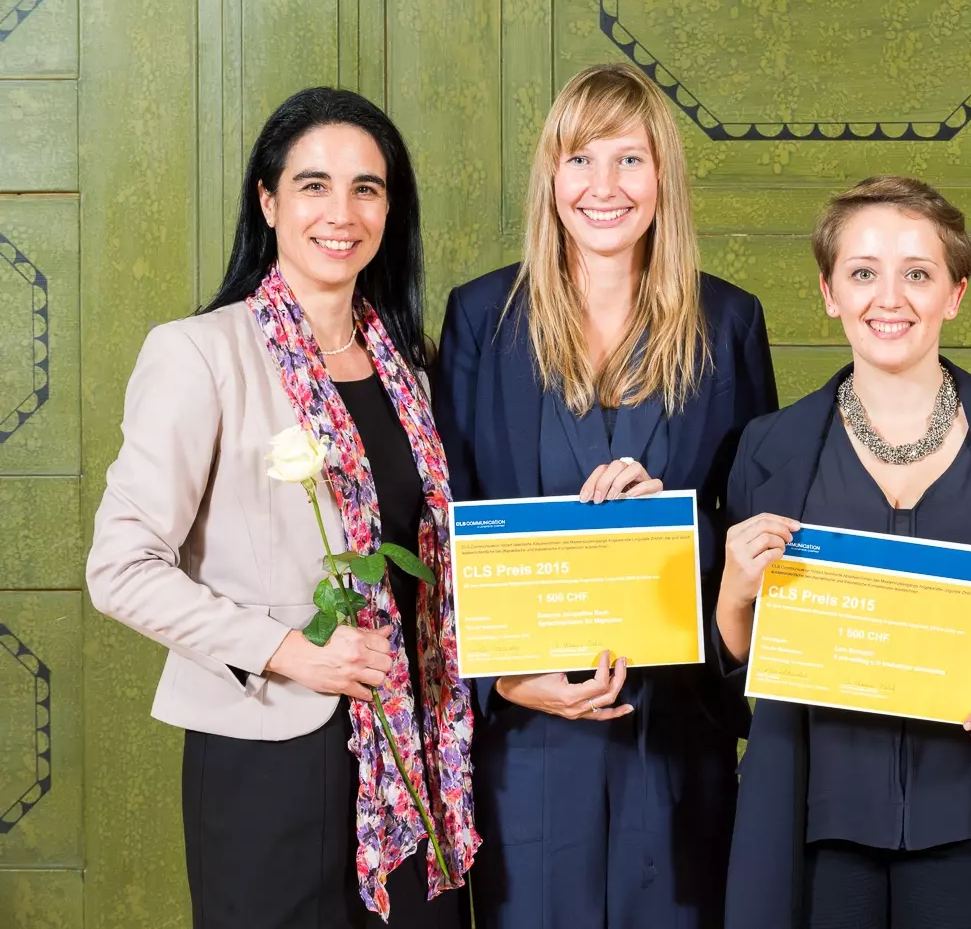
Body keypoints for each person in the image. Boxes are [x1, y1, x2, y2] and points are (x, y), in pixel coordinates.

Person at [86, 88, 478, 927]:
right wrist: (284, 651)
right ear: (267, 201)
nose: (342, 212)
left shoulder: (412, 370)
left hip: (410, 758)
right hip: (268, 754)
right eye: (313, 185)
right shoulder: (198, 354)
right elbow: (119, 569)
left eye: (366, 188)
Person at [433, 63, 777, 929]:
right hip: (531, 737)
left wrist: (674, 525)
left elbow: (757, 534)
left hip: (675, 729)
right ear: (551, 177)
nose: (604, 187)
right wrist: (506, 681)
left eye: (630, 160)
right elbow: (443, 528)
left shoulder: (729, 323)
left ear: (664, 177)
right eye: (580, 160)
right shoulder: (483, 318)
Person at [714, 175, 971, 929]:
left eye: (917, 273)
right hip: (813, 828)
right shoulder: (769, 449)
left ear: (954, 292)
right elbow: (739, 674)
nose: (890, 298)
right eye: (863, 273)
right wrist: (731, 591)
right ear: (829, 291)